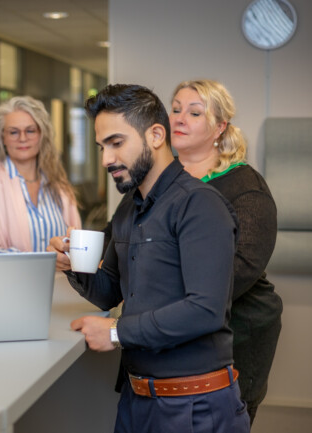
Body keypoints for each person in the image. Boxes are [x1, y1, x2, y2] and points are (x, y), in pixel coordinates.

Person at [47, 84, 249, 433]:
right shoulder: (128, 208)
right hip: (136, 399)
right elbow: (110, 290)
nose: (107, 159)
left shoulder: (199, 204)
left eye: (116, 143)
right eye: (101, 147)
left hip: (193, 406)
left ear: (156, 135)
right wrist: (74, 268)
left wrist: (115, 332)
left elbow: (205, 309)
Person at [170, 79, 282, 424]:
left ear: (220, 127)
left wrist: (156, 291)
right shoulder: (161, 181)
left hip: (238, 332)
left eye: (194, 112)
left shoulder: (245, 186)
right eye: (174, 109)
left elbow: (241, 268)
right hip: (174, 327)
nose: (179, 118)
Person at [0, 96, 81, 253]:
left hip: (60, 279)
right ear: (2, 137)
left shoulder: (58, 182)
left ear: (41, 134)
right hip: (9, 278)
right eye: (13, 132)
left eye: (30, 130)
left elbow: (76, 241)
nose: (23, 138)